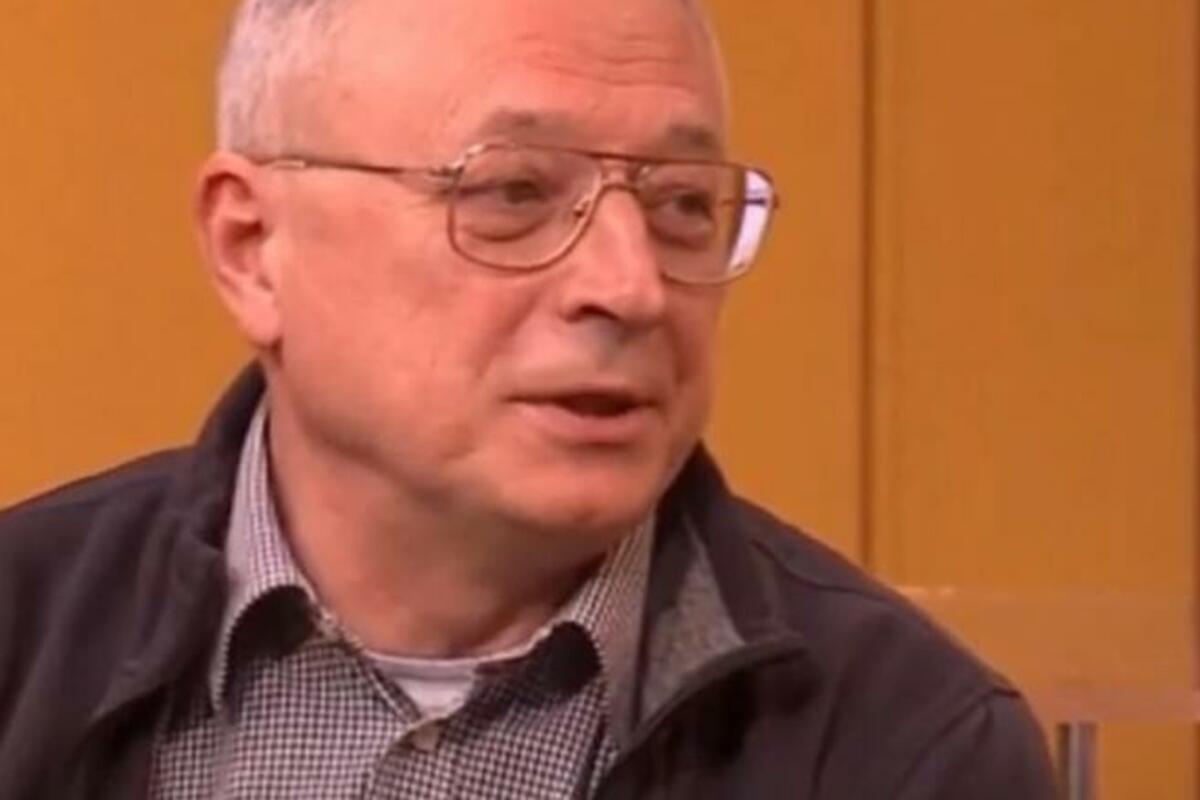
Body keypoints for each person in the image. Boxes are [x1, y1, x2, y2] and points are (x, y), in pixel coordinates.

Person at [0, 0, 1057, 797]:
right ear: (252, 246)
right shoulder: (22, 635)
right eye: (513, 191)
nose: (632, 287)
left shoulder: (910, 748)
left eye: (683, 205)